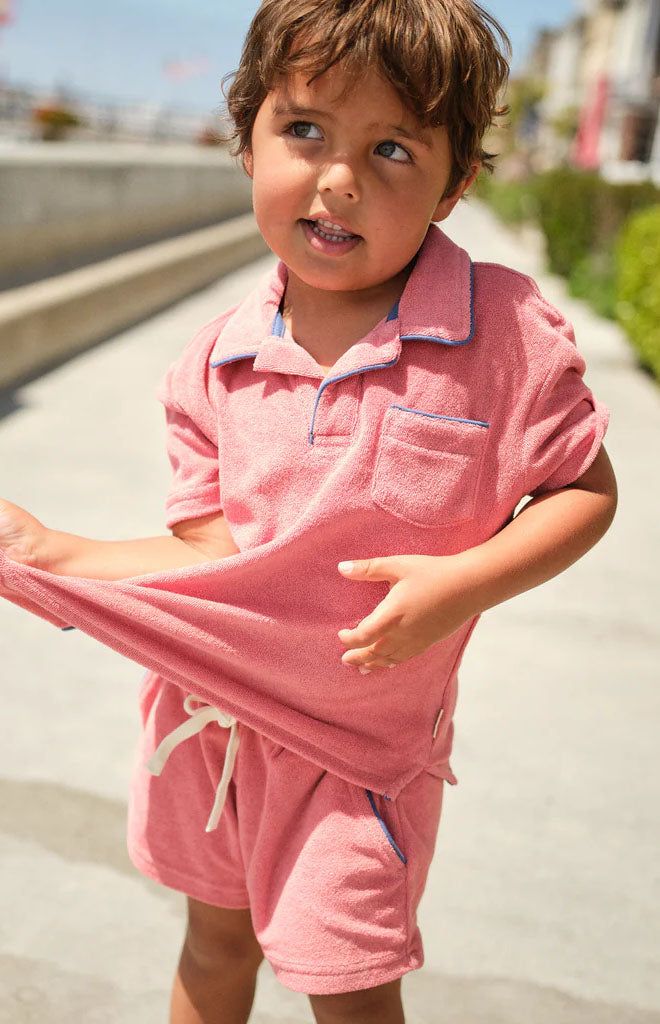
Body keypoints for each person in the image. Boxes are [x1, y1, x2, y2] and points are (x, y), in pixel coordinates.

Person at [0, 1, 618, 1022]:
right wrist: (59, 554)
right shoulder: (213, 358)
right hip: (209, 730)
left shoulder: (502, 331)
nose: (340, 179)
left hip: (357, 755)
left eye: (390, 148)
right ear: (246, 135)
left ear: (458, 179)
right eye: (305, 132)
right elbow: (216, 550)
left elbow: (583, 493)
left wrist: (464, 582)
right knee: (212, 945)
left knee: (350, 982)